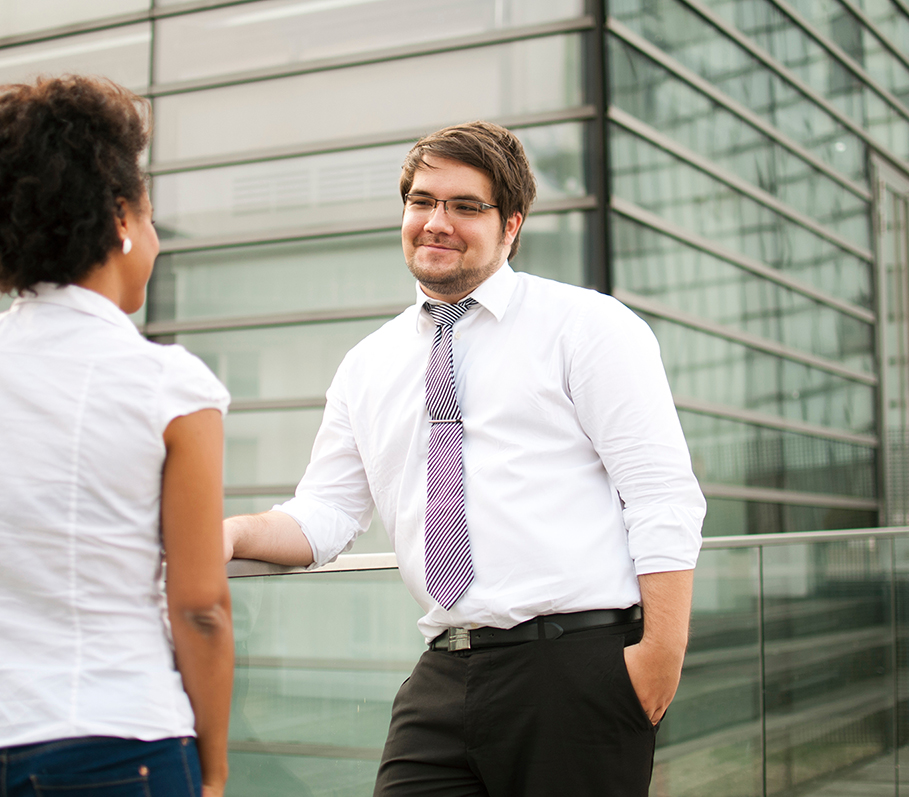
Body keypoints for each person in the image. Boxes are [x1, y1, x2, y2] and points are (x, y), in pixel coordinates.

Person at [223, 120, 705, 796]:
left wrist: (660, 656)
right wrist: (231, 534)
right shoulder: (368, 365)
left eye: (464, 206)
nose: (436, 222)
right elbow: (326, 513)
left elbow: (661, 494)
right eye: (421, 201)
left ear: (511, 224)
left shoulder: (588, 328)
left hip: (577, 669)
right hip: (444, 671)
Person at [0, 76, 234, 797]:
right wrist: (216, 768)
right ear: (120, 218)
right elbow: (200, 605)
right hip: (122, 742)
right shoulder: (170, 382)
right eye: (150, 213)